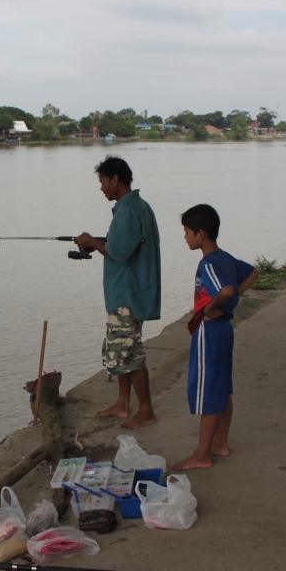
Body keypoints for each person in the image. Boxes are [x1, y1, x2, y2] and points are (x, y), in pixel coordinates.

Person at [75, 156, 161, 430]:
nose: (101, 188)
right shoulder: (137, 206)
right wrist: (98, 243)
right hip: (129, 292)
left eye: (103, 182)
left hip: (127, 295)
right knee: (123, 351)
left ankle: (145, 410)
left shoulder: (127, 211)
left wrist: (91, 241)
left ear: (115, 180)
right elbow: (119, 244)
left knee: (130, 353)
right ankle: (123, 404)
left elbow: (118, 252)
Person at [173, 204, 258, 470]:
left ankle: (202, 454)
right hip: (224, 331)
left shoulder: (208, 263)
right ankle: (221, 443)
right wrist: (232, 300)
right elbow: (253, 273)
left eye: (187, 232)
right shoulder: (225, 257)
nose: (185, 237)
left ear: (201, 234)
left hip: (209, 331)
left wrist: (212, 307)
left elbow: (225, 289)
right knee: (222, 387)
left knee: (208, 392)